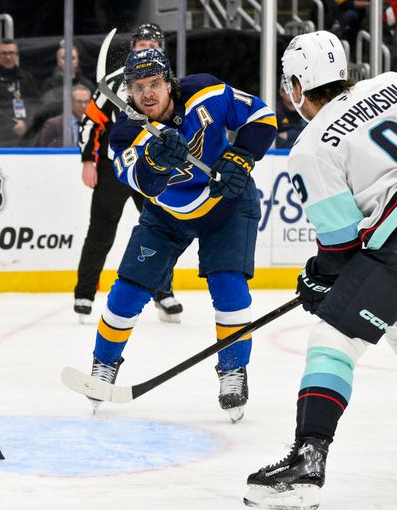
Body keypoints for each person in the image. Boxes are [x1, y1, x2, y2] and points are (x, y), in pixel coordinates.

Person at [244, 30, 397, 509]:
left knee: (333, 338)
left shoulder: (311, 146)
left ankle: (308, 461)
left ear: (298, 86)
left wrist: (319, 278)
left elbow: (341, 243)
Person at [86, 47, 276, 422]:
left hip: (229, 202)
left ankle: (233, 370)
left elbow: (261, 115)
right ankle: (103, 364)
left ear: (170, 82)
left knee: (228, 283)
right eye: (138, 88)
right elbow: (141, 182)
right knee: (128, 288)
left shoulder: (207, 91)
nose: (148, 95)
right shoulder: (125, 134)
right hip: (168, 213)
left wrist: (242, 156)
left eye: (155, 84)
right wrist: (155, 160)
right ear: (128, 92)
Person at [74, 24, 184, 323]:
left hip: (153, 163)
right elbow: (91, 122)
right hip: (114, 164)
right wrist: (88, 160)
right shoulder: (113, 81)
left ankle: (163, 292)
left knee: (158, 229)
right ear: (132, 48)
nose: (146, 46)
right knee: (101, 229)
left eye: (153, 42)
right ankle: (84, 293)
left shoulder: (168, 82)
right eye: (141, 42)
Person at [0, 38, 41, 146]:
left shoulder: (26, 78)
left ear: (17, 55)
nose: (8, 57)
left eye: (11, 53)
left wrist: (26, 123)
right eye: (4, 53)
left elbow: (35, 104)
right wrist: (12, 124)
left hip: (25, 132)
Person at [275, 84, 306, 149]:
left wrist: (289, 135)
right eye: (289, 90)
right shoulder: (274, 110)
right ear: (281, 92)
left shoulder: (306, 109)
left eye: (295, 90)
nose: (293, 93)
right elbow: (273, 140)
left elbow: (310, 135)